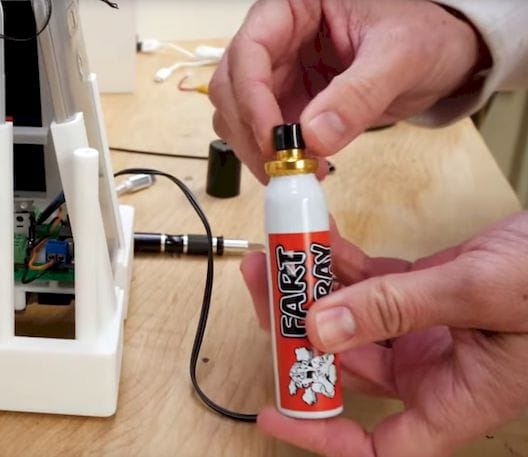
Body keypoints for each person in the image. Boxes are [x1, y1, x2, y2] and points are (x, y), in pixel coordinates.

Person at [208, 1, 528, 456]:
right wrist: (460, 32)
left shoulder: (293, 191)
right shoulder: (290, 191)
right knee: (295, 293)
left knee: (297, 294)